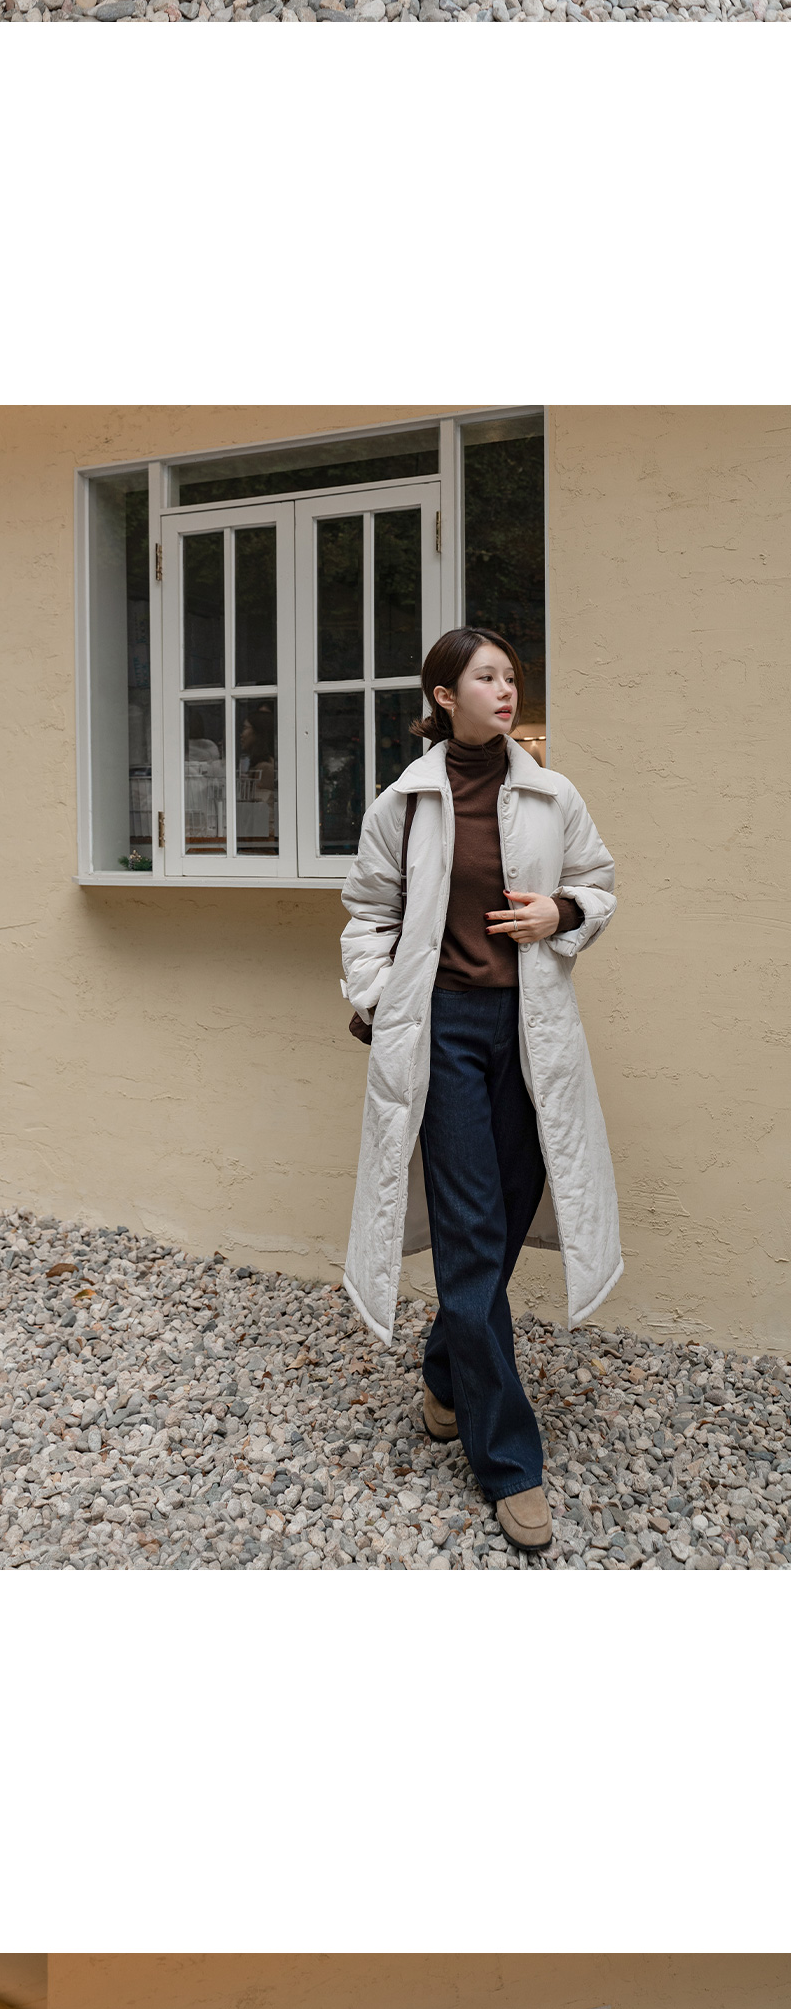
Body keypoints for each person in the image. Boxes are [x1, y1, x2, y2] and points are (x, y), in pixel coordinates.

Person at [340, 622, 621, 1555]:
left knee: (503, 1217)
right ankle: (509, 1462)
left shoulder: (551, 794)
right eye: (487, 677)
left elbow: (598, 884)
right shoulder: (404, 804)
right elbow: (367, 915)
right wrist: (380, 999)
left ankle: (443, 1378)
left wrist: (561, 911)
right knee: (469, 1236)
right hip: (443, 1033)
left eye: (511, 677)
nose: (506, 690)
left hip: (531, 1033)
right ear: (443, 696)